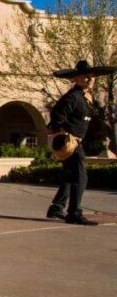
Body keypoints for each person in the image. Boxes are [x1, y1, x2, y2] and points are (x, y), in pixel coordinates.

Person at [46, 60, 115, 225]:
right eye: (85, 77)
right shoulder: (73, 97)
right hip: (72, 143)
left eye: (91, 77)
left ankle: (57, 206)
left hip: (77, 141)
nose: (90, 79)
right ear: (75, 79)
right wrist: (64, 135)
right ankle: (74, 212)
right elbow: (56, 118)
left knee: (70, 176)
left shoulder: (85, 97)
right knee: (80, 177)